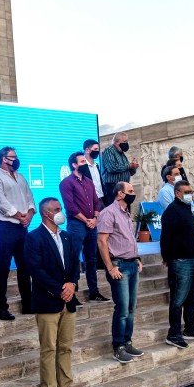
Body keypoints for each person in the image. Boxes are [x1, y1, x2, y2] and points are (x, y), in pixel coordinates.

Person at [24, 197, 85, 387]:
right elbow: (36, 270)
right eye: (57, 209)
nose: (61, 212)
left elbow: (75, 264)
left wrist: (72, 284)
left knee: (65, 347)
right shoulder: (34, 238)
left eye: (61, 208)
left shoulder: (67, 237)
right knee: (49, 348)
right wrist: (60, 289)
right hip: (47, 301)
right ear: (46, 213)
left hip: (68, 301)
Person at [97, 182, 144, 364]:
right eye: (130, 191)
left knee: (131, 308)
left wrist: (137, 258)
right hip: (118, 266)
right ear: (119, 194)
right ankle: (118, 346)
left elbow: (128, 239)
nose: (133, 193)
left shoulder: (126, 213)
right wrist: (110, 267)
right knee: (122, 308)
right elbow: (102, 241)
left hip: (132, 264)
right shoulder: (108, 212)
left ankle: (128, 341)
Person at [160, 180, 194, 348]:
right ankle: (173, 333)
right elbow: (165, 237)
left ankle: (190, 328)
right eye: (186, 191)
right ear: (177, 193)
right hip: (180, 260)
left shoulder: (188, 209)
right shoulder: (172, 211)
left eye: (191, 191)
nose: (190, 194)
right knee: (178, 299)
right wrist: (167, 257)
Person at [0, 146, 35, 320]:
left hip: (22, 226)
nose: (16, 159)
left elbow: (30, 198)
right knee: (3, 267)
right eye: (12, 157)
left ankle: (28, 304)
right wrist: (19, 215)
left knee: (25, 266)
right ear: (3, 159)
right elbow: (1, 203)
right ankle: (1, 308)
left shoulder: (21, 177)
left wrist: (28, 215)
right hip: (4, 225)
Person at [59, 151, 108, 302]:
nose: (85, 164)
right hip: (77, 225)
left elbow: (97, 202)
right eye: (82, 162)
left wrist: (94, 218)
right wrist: (87, 220)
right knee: (73, 258)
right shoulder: (66, 183)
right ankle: (71, 293)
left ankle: (94, 292)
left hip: (92, 224)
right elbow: (71, 207)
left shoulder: (89, 181)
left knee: (91, 259)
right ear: (74, 165)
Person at [100, 132, 139, 206]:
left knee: (124, 211)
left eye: (127, 141)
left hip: (124, 188)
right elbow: (112, 168)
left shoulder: (122, 155)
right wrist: (129, 166)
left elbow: (130, 172)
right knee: (115, 212)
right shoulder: (109, 151)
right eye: (124, 141)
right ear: (116, 142)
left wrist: (134, 167)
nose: (127, 144)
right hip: (112, 188)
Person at [82, 139, 105, 205]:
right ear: (87, 150)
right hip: (90, 201)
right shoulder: (82, 167)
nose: (97, 151)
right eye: (95, 149)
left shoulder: (96, 165)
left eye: (98, 149)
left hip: (101, 198)